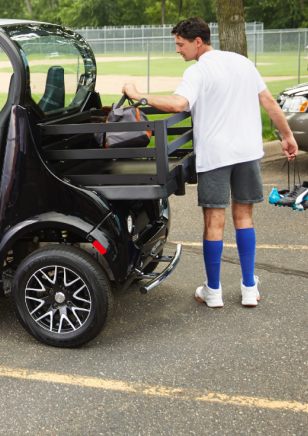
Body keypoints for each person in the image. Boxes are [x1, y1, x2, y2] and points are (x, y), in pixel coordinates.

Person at [122, 17, 298, 308]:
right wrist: (287, 136)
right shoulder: (242, 63)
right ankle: (249, 288)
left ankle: (213, 291)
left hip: (216, 155)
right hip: (247, 152)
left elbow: (178, 104)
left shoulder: (198, 71)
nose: (178, 50)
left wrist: (139, 95)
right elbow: (269, 102)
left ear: (197, 42)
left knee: (213, 222)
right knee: (244, 219)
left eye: (180, 44)